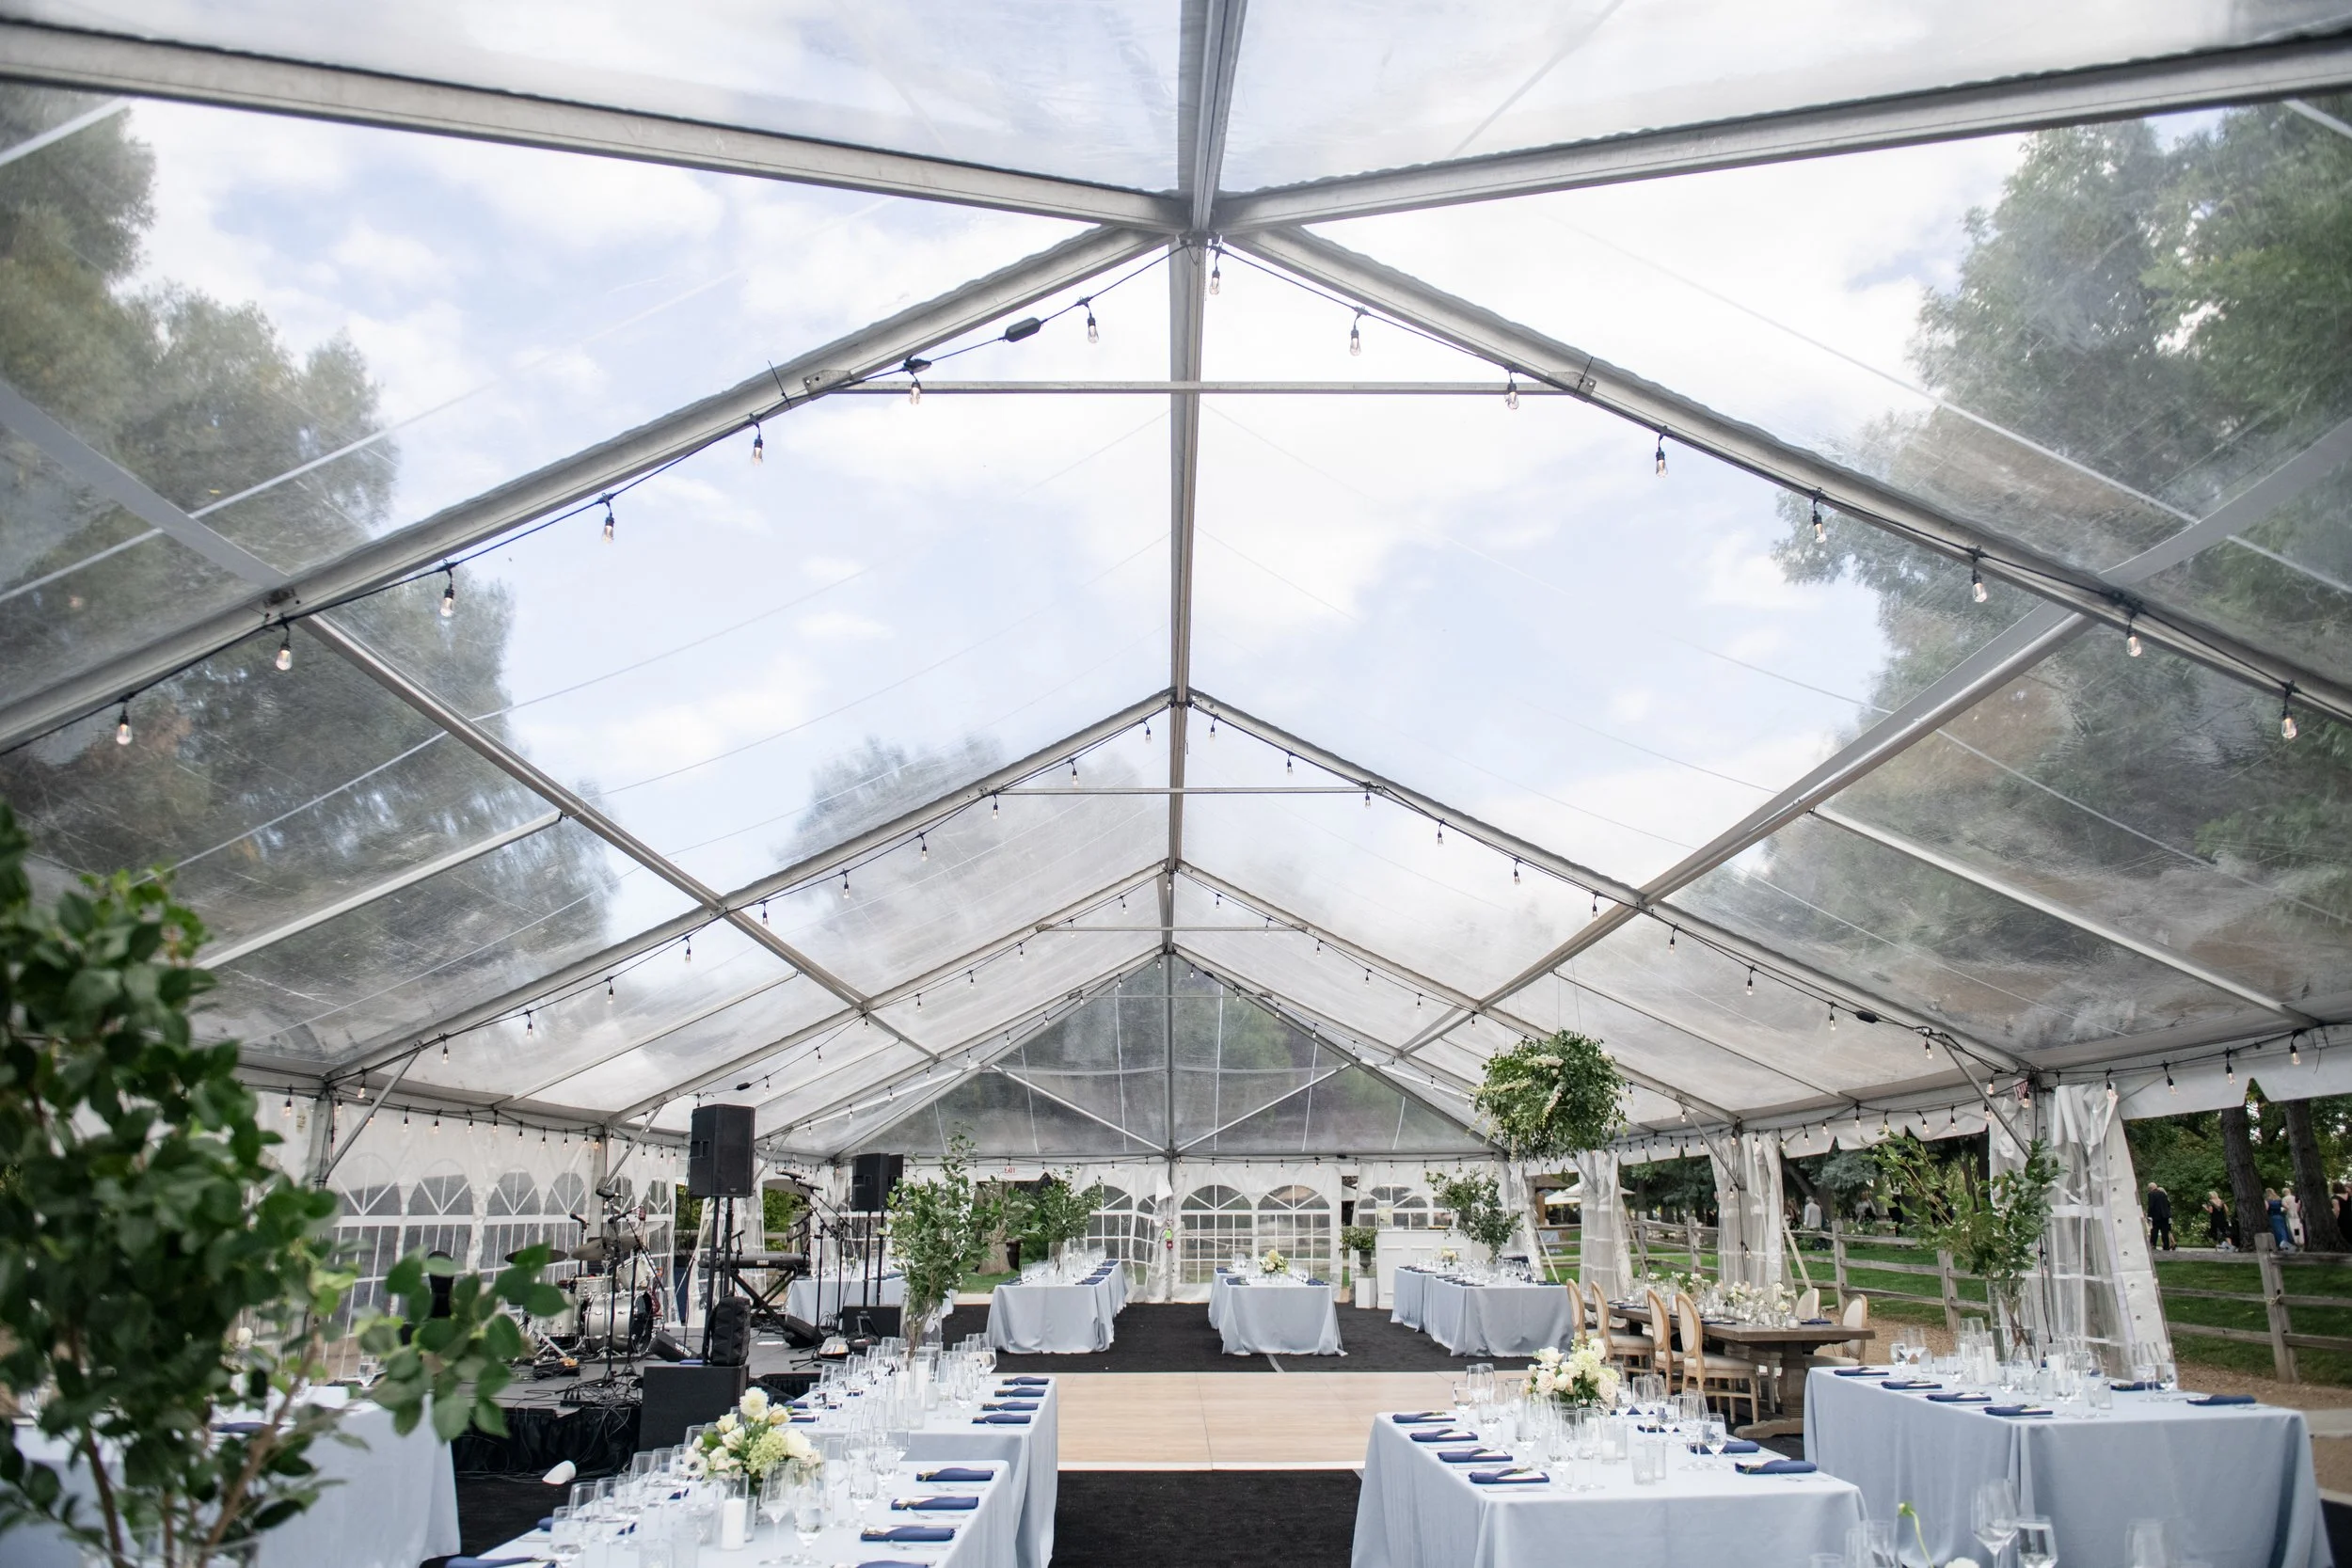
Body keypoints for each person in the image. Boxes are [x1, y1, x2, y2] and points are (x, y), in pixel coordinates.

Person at [2146, 1183, 2173, 1251]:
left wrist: (2149, 1215)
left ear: (2150, 1188)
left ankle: (2153, 1245)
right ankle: (2166, 1246)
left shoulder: (2151, 1194)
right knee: (2165, 1232)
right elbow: (2168, 1204)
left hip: (2156, 1216)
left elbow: (2151, 1205)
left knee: (2154, 1231)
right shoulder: (2163, 1193)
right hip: (2165, 1216)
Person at [2267, 1188, 2295, 1252]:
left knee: (2277, 1232)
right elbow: (2287, 1207)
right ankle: (2288, 1245)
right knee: (2284, 1231)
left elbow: (2267, 1208)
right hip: (2281, 1216)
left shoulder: (2268, 1201)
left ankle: (2283, 1246)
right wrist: (2281, 1210)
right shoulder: (2279, 1199)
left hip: (2273, 1217)